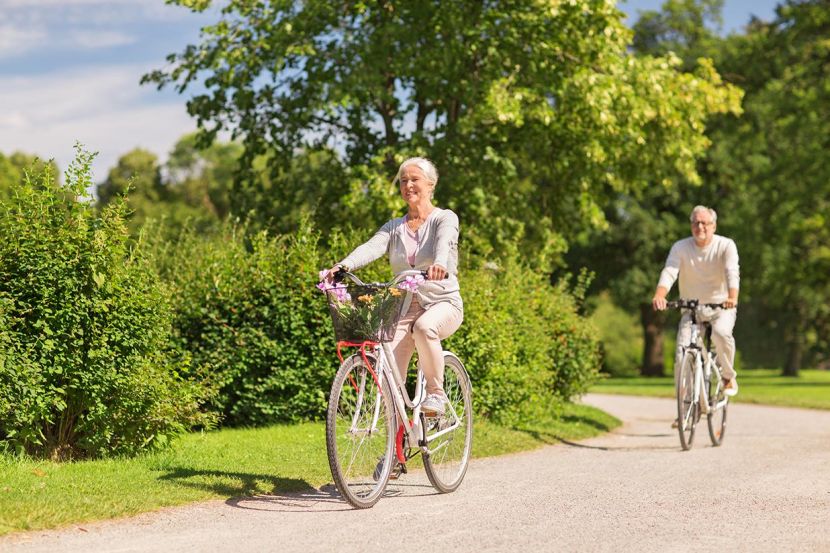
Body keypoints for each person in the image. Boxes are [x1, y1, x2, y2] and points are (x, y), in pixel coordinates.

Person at [324, 157, 463, 417]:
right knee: (389, 377)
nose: (408, 185)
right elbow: (372, 246)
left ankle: (436, 396)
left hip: (442, 303)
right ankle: (396, 452)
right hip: (405, 308)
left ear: (431, 184)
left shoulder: (444, 218)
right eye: (403, 181)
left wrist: (440, 264)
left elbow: (444, 243)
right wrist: (344, 266)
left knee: (424, 328)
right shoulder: (394, 227)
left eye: (414, 179)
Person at [652, 205, 740, 405]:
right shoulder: (680, 247)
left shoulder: (726, 245)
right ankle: (685, 406)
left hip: (722, 306)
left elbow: (731, 272)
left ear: (714, 226)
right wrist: (660, 294)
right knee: (682, 355)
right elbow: (670, 271)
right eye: (695, 223)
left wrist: (732, 297)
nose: (700, 227)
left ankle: (727, 375)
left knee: (720, 334)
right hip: (692, 308)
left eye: (704, 223)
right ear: (691, 225)